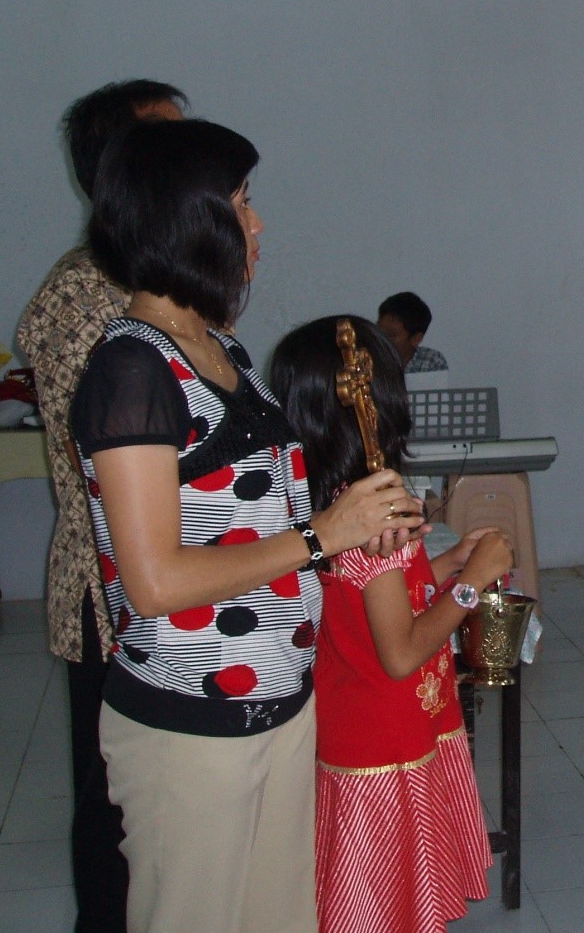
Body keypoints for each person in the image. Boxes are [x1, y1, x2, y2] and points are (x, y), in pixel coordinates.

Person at [69, 119, 428, 933]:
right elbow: (154, 580)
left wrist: (358, 528)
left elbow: (249, 520)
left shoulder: (219, 348)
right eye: (239, 202)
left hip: (280, 703)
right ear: (184, 218)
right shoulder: (132, 369)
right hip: (190, 723)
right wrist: (320, 537)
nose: (256, 224)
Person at [270, 314, 510, 933]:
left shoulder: (333, 507)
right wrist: (471, 583)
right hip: (386, 742)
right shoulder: (373, 519)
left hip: (370, 724)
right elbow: (400, 652)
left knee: (380, 898)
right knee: (385, 901)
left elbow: (379, 595)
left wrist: (449, 562)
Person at [15, 78, 187, 933]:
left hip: (179, 583)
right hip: (115, 592)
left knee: (166, 810)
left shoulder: (161, 283)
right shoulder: (84, 297)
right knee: (116, 805)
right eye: (171, 147)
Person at [377, 292, 448, 374]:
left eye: (391, 335)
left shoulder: (431, 361)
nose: (382, 339)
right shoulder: (369, 359)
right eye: (378, 331)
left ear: (416, 339)